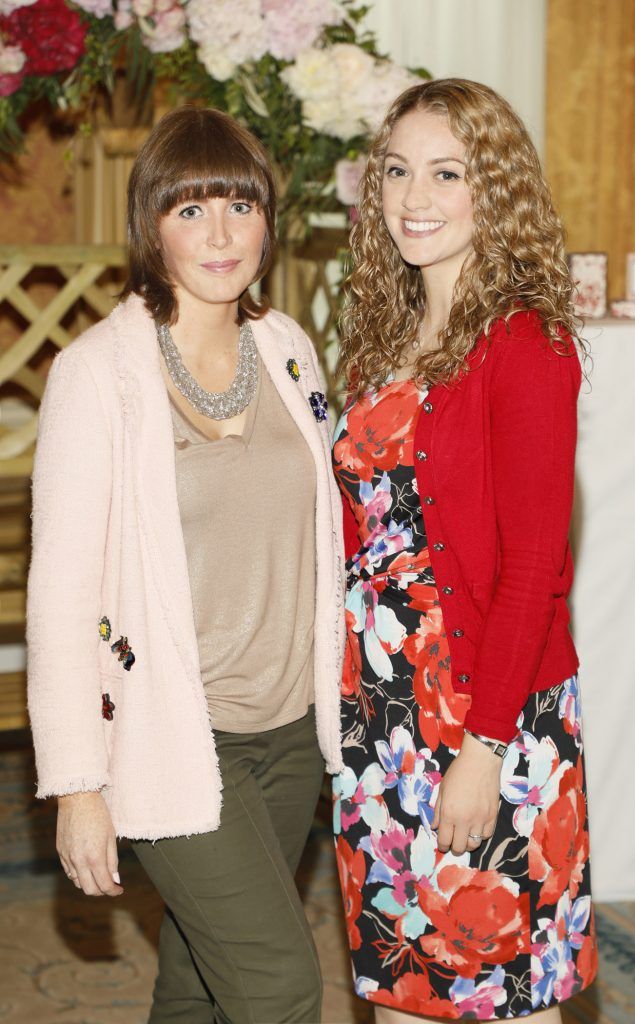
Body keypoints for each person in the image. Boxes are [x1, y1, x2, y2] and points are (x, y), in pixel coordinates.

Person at [26, 106, 345, 1024]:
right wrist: (78, 785)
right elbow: (60, 596)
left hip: (289, 733)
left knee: (199, 978)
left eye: (240, 206)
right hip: (172, 735)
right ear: (150, 224)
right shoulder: (98, 375)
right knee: (279, 984)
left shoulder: (287, 348)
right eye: (191, 208)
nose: (219, 233)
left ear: (268, 222)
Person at [331, 79, 598, 1023]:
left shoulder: (528, 341)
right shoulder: (381, 341)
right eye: (397, 171)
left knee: (500, 992)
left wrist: (484, 749)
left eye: (447, 173)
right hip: (379, 718)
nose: (413, 198)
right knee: (403, 987)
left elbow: (534, 567)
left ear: (496, 191)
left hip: (486, 708)